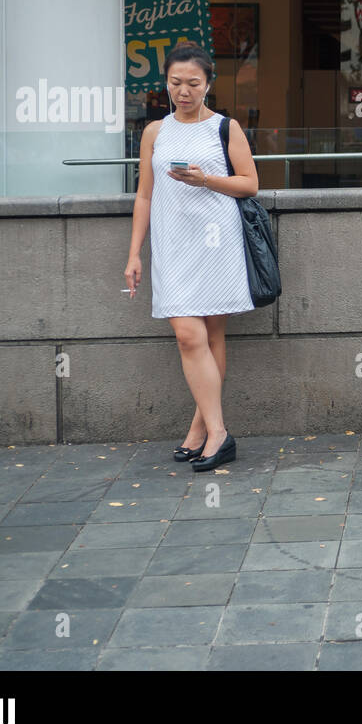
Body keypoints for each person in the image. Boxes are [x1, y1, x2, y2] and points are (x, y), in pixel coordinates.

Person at [124, 42, 259, 471]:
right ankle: (214, 432)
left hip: (216, 243)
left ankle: (206, 430)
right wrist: (135, 253)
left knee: (212, 335)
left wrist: (206, 180)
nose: (183, 91)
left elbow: (250, 184)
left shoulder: (225, 128)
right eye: (175, 82)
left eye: (193, 83)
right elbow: (144, 194)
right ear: (165, 82)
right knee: (188, 334)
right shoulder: (154, 132)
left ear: (208, 84)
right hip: (171, 244)